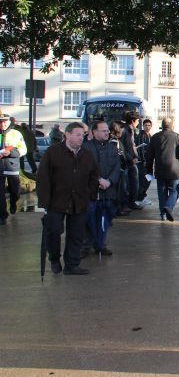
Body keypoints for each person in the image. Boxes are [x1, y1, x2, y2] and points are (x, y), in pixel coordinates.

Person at [36, 122, 99, 275]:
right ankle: (54, 259)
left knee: (76, 234)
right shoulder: (53, 153)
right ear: (67, 135)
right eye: (77, 135)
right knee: (54, 231)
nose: (81, 138)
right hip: (56, 201)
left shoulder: (86, 154)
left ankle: (72, 264)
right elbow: (43, 177)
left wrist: (90, 194)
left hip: (79, 201)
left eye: (82, 135)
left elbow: (93, 176)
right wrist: (44, 201)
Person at [82, 121, 121, 254]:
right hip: (91, 191)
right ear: (94, 132)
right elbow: (85, 168)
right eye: (103, 130)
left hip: (108, 192)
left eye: (107, 130)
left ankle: (101, 245)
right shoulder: (86, 148)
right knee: (89, 220)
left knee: (105, 219)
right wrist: (98, 180)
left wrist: (110, 181)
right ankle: (86, 246)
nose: (107, 132)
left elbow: (117, 167)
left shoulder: (112, 148)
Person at [146, 117, 179, 223]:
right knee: (175, 191)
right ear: (171, 125)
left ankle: (163, 215)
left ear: (162, 125)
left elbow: (149, 156)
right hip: (173, 171)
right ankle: (168, 207)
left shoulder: (155, 137)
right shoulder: (177, 136)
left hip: (160, 170)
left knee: (162, 193)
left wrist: (149, 170)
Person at [0, 112, 27, 225]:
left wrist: (10, 152)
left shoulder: (16, 134)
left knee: (15, 191)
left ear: (9, 122)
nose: (2, 124)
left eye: (5, 121)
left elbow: (23, 150)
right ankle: (2, 215)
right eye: (0, 122)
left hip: (11, 166)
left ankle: (13, 202)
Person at [121, 111, 143, 211]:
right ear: (133, 121)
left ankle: (131, 202)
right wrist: (131, 158)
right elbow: (125, 147)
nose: (137, 123)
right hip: (127, 161)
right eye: (137, 120)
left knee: (133, 182)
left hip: (130, 160)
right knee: (127, 183)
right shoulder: (126, 130)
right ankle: (127, 203)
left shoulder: (129, 130)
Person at [135, 118, 153, 206]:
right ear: (143, 126)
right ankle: (140, 197)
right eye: (146, 125)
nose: (147, 127)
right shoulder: (142, 135)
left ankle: (142, 195)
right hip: (143, 163)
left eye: (149, 125)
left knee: (148, 179)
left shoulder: (149, 135)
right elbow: (141, 149)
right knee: (144, 180)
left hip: (148, 163)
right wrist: (144, 160)